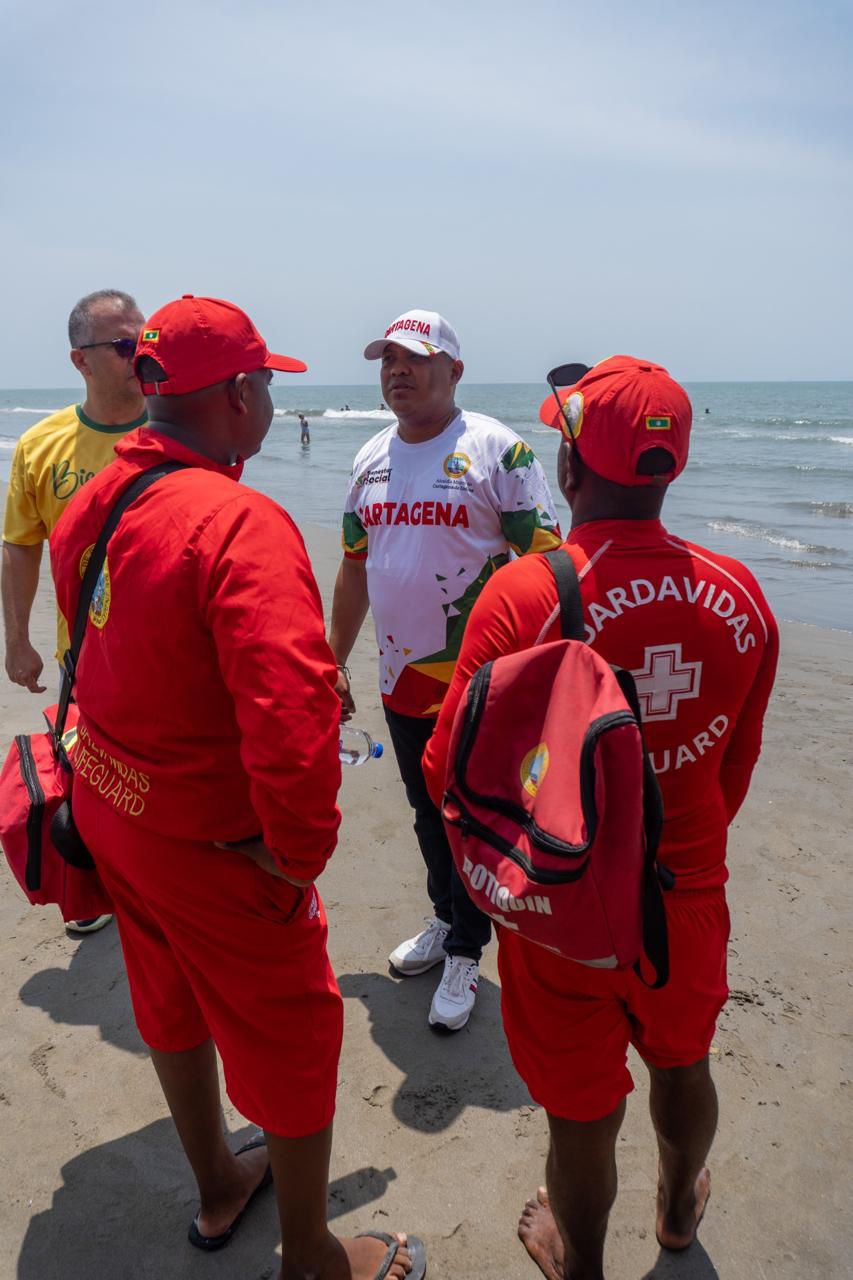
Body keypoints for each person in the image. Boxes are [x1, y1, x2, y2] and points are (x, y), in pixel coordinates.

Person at [49, 295, 424, 1280]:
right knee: (296, 1032)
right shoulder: (239, 522)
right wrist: (295, 857)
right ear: (240, 394)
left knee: (166, 994)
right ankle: (311, 1257)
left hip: (111, 804)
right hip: (209, 841)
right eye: (265, 383)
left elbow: (114, 648)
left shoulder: (96, 498)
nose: (267, 400)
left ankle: (220, 1178)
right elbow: (293, 730)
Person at [423, 355, 778, 1278]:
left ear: (570, 471)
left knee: (580, 1111)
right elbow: (731, 767)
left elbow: (443, 768)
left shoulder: (526, 595)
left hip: (562, 903)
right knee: (682, 1062)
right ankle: (674, 1212)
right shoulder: (740, 594)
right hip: (686, 892)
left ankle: (579, 1263)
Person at [329, 308, 561, 1032]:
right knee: (427, 812)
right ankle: (445, 918)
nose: (397, 372)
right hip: (402, 682)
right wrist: (331, 661)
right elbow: (354, 567)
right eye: (387, 361)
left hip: (485, 686)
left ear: (453, 371)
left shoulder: (498, 450)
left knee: (473, 814)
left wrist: (538, 677)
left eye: (414, 359)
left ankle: (467, 947)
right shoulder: (369, 457)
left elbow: (548, 567)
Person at [2, 287, 147, 935]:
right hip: (86, 659)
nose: (137, 353)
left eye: (143, 340)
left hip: (176, 658)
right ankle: (98, 887)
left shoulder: (179, 428)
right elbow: (20, 544)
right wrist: (17, 639)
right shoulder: (41, 446)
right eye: (122, 345)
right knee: (94, 778)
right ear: (79, 360)